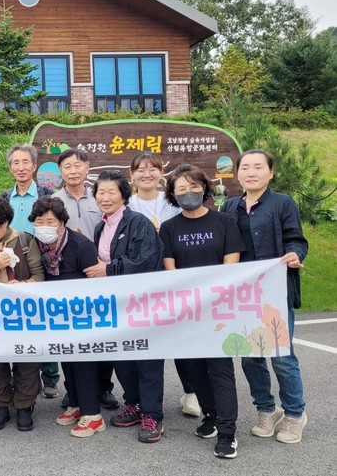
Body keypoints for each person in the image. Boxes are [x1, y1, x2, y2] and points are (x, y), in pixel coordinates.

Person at [221, 149, 309, 444]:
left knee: (282, 356)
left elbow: (296, 240)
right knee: (250, 357)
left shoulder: (283, 203)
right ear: (237, 174)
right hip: (243, 295)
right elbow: (223, 245)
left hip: (275, 290)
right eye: (245, 167)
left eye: (258, 167)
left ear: (271, 173)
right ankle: (266, 410)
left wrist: (295, 254)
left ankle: (295, 413)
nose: (251, 172)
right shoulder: (230, 206)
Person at [160, 164, 245, 459]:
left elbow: (230, 266)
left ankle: (228, 431)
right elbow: (170, 269)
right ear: (172, 194)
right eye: (181, 189)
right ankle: (210, 415)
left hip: (218, 310)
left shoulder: (225, 222)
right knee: (194, 369)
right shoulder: (169, 228)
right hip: (186, 311)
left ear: (205, 188)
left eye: (194, 186)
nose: (188, 193)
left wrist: (210, 295)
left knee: (220, 370)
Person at [85, 170, 165, 443]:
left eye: (112, 192)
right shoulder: (101, 226)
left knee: (147, 359)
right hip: (114, 304)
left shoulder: (138, 223)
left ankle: (152, 415)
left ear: (124, 195)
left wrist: (108, 269)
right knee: (122, 357)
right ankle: (134, 403)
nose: (105, 197)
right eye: (101, 192)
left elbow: (146, 260)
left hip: (141, 302)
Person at [128, 152, 201, 418]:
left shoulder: (172, 202)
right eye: (140, 169)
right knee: (141, 342)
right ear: (132, 175)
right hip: (139, 285)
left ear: (161, 173)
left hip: (174, 278)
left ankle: (191, 393)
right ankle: (138, 399)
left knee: (181, 339)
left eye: (153, 169)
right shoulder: (126, 204)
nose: (147, 174)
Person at [27, 195, 105, 438]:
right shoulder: (37, 246)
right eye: (39, 222)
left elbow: (96, 283)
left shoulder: (81, 245)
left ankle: (93, 415)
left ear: (61, 223)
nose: (44, 227)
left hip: (83, 315)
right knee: (67, 361)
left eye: (50, 221)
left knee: (83, 363)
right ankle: (76, 404)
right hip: (57, 317)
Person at [53, 149, 119, 412]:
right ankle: (74, 389)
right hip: (68, 276)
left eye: (77, 165)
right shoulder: (54, 200)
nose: (73, 171)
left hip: (99, 273)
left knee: (102, 334)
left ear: (87, 167)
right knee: (70, 335)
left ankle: (104, 387)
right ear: (60, 171)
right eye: (67, 166)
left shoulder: (100, 197)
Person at [0, 196, 44, 431]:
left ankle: (24, 405)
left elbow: (39, 275)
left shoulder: (24, 240)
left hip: (23, 313)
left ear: (4, 223)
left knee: (27, 359)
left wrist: (23, 285)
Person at [0, 144, 59, 398]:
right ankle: (21, 375)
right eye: (16, 163)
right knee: (17, 320)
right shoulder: (4, 198)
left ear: (34, 166)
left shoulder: (48, 195)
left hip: (43, 262)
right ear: (10, 167)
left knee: (45, 319)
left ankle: (50, 376)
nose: (21, 167)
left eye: (25, 162)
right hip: (12, 266)